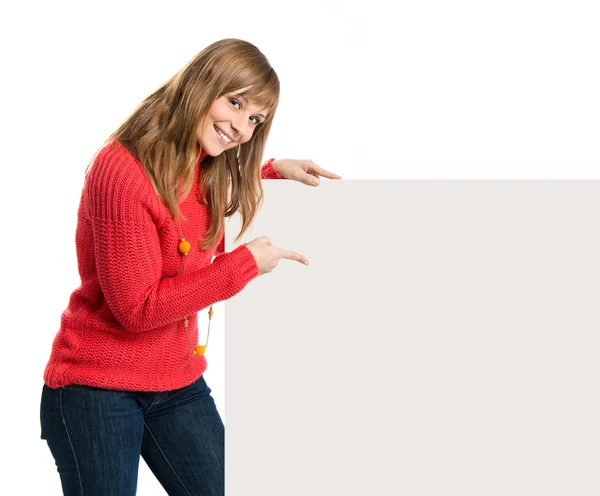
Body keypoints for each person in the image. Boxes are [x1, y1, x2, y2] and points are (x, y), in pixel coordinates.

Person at [39, 38, 341, 496]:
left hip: (174, 379)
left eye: (255, 119)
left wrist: (274, 169)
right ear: (202, 86)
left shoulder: (204, 162)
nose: (241, 128)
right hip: (95, 386)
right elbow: (136, 309)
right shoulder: (121, 171)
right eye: (235, 103)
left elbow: (193, 189)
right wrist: (242, 267)